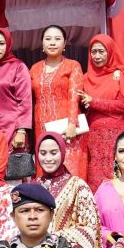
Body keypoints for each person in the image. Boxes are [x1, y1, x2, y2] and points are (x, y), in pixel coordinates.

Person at [34, 132, 105, 248]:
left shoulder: (78, 186)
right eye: (43, 153)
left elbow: (90, 227)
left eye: (54, 152)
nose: (48, 158)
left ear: (63, 153)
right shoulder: (33, 187)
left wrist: (55, 238)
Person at [81, 35, 124, 191]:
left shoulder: (119, 74)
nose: (97, 56)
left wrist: (94, 101)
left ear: (110, 52)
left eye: (102, 51)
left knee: (117, 172)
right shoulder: (85, 78)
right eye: (93, 51)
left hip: (116, 134)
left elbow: (123, 105)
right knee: (95, 176)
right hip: (93, 136)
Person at [30, 25, 87, 180]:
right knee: (46, 168)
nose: (52, 43)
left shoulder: (73, 65)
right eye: (48, 39)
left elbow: (74, 95)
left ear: (64, 44)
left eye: (57, 39)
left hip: (68, 128)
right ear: (42, 44)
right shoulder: (34, 69)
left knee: (70, 171)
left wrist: (72, 123)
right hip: (42, 126)